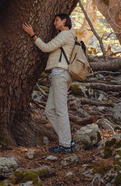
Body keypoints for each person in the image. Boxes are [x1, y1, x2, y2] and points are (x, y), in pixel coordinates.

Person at [22, 14, 76, 154]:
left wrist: (32, 34)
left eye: (57, 20)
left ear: (64, 21)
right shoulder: (67, 35)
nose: (54, 23)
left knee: (61, 110)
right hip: (59, 74)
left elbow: (46, 47)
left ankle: (65, 145)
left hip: (60, 74)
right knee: (49, 110)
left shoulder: (65, 34)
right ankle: (67, 139)